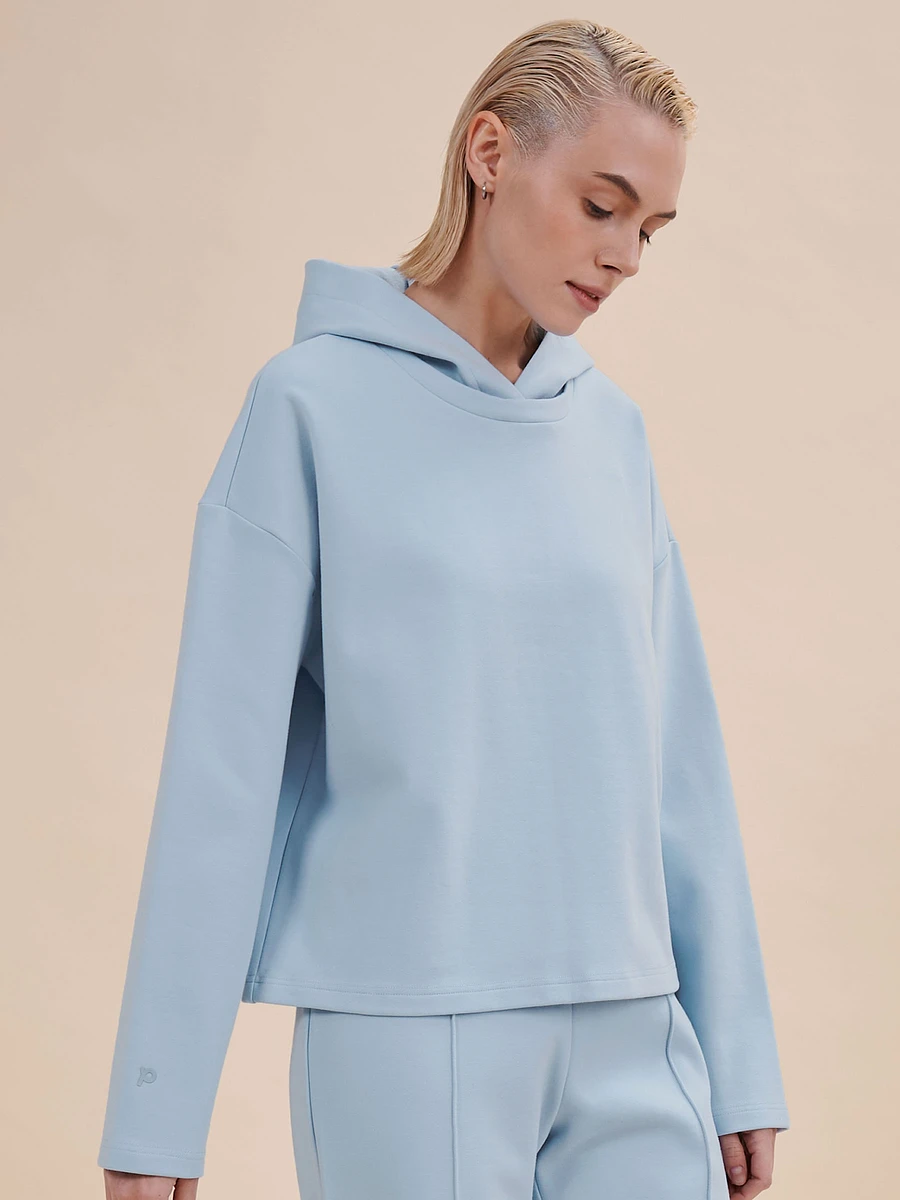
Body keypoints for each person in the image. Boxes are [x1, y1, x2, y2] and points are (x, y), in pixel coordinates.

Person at [98, 18, 790, 1200]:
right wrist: (155, 1117)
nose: (625, 255)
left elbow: (680, 757)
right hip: (409, 1029)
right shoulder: (309, 408)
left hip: (634, 1025)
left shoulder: (610, 433)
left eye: (650, 229)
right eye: (602, 205)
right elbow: (221, 777)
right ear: (490, 152)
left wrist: (739, 1054)